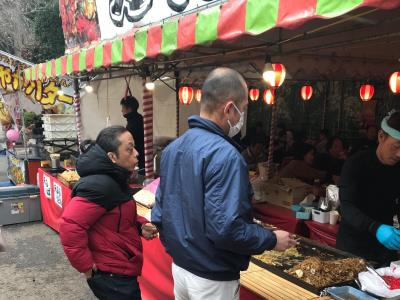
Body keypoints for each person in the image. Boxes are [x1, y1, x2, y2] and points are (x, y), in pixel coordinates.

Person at [151, 68, 296, 300]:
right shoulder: (226, 156)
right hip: (212, 276)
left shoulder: (173, 149)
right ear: (229, 109)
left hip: (180, 267)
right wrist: (271, 239)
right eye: (242, 111)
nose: (240, 119)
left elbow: (159, 214)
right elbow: (227, 230)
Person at [59, 126, 158, 300]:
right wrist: (87, 267)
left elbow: (116, 216)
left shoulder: (114, 178)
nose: (136, 153)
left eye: (134, 147)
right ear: (112, 157)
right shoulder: (101, 185)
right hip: (112, 273)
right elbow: (70, 226)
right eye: (129, 149)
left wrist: (139, 226)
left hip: (120, 266)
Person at [336, 111, 400, 266]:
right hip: (353, 245)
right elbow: (346, 206)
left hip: (385, 249)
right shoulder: (356, 163)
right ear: (381, 136)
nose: (399, 154)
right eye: (396, 146)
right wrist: (375, 227)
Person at [120, 96, 145, 175]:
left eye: (123, 108)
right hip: (141, 156)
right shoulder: (138, 118)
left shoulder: (134, 123)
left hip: (139, 157)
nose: (121, 110)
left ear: (129, 109)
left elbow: (129, 142)